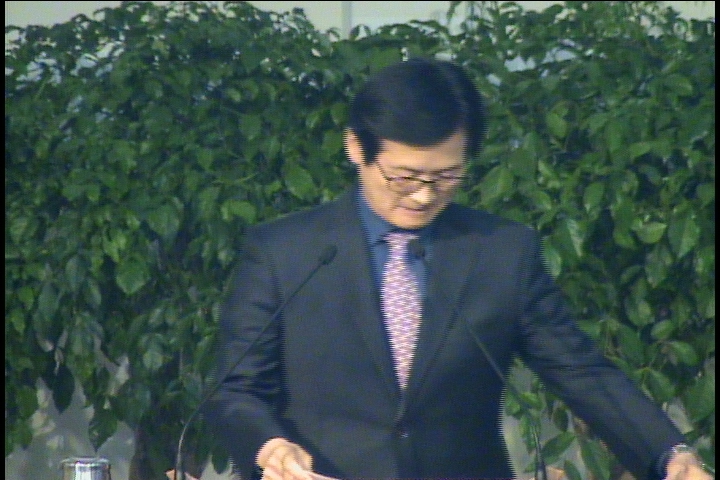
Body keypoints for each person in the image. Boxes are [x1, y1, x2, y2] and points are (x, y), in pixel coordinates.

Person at [203, 57, 711, 480]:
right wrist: (269, 446)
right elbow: (236, 389)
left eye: (447, 176)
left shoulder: (502, 251)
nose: (425, 196)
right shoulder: (286, 250)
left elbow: (580, 370)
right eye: (404, 177)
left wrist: (669, 455)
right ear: (356, 148)